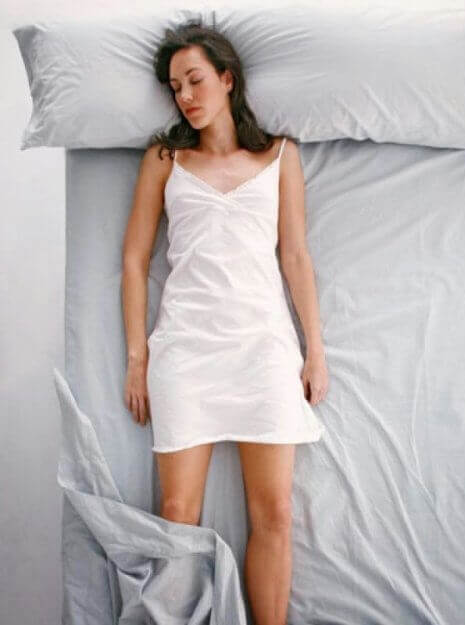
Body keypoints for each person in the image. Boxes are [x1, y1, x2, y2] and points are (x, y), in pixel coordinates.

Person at [121, 19, 329, 625]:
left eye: (195, 80)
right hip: (185, 350)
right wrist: (137, 357)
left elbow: (295, 256)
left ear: (227, 79)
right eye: (174, 87)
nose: (185, 96)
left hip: (263, 349)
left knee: (276, 513)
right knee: (177, 512)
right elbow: (134, 261)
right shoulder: (165, 159)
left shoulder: (280, 155)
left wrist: (315, 350)